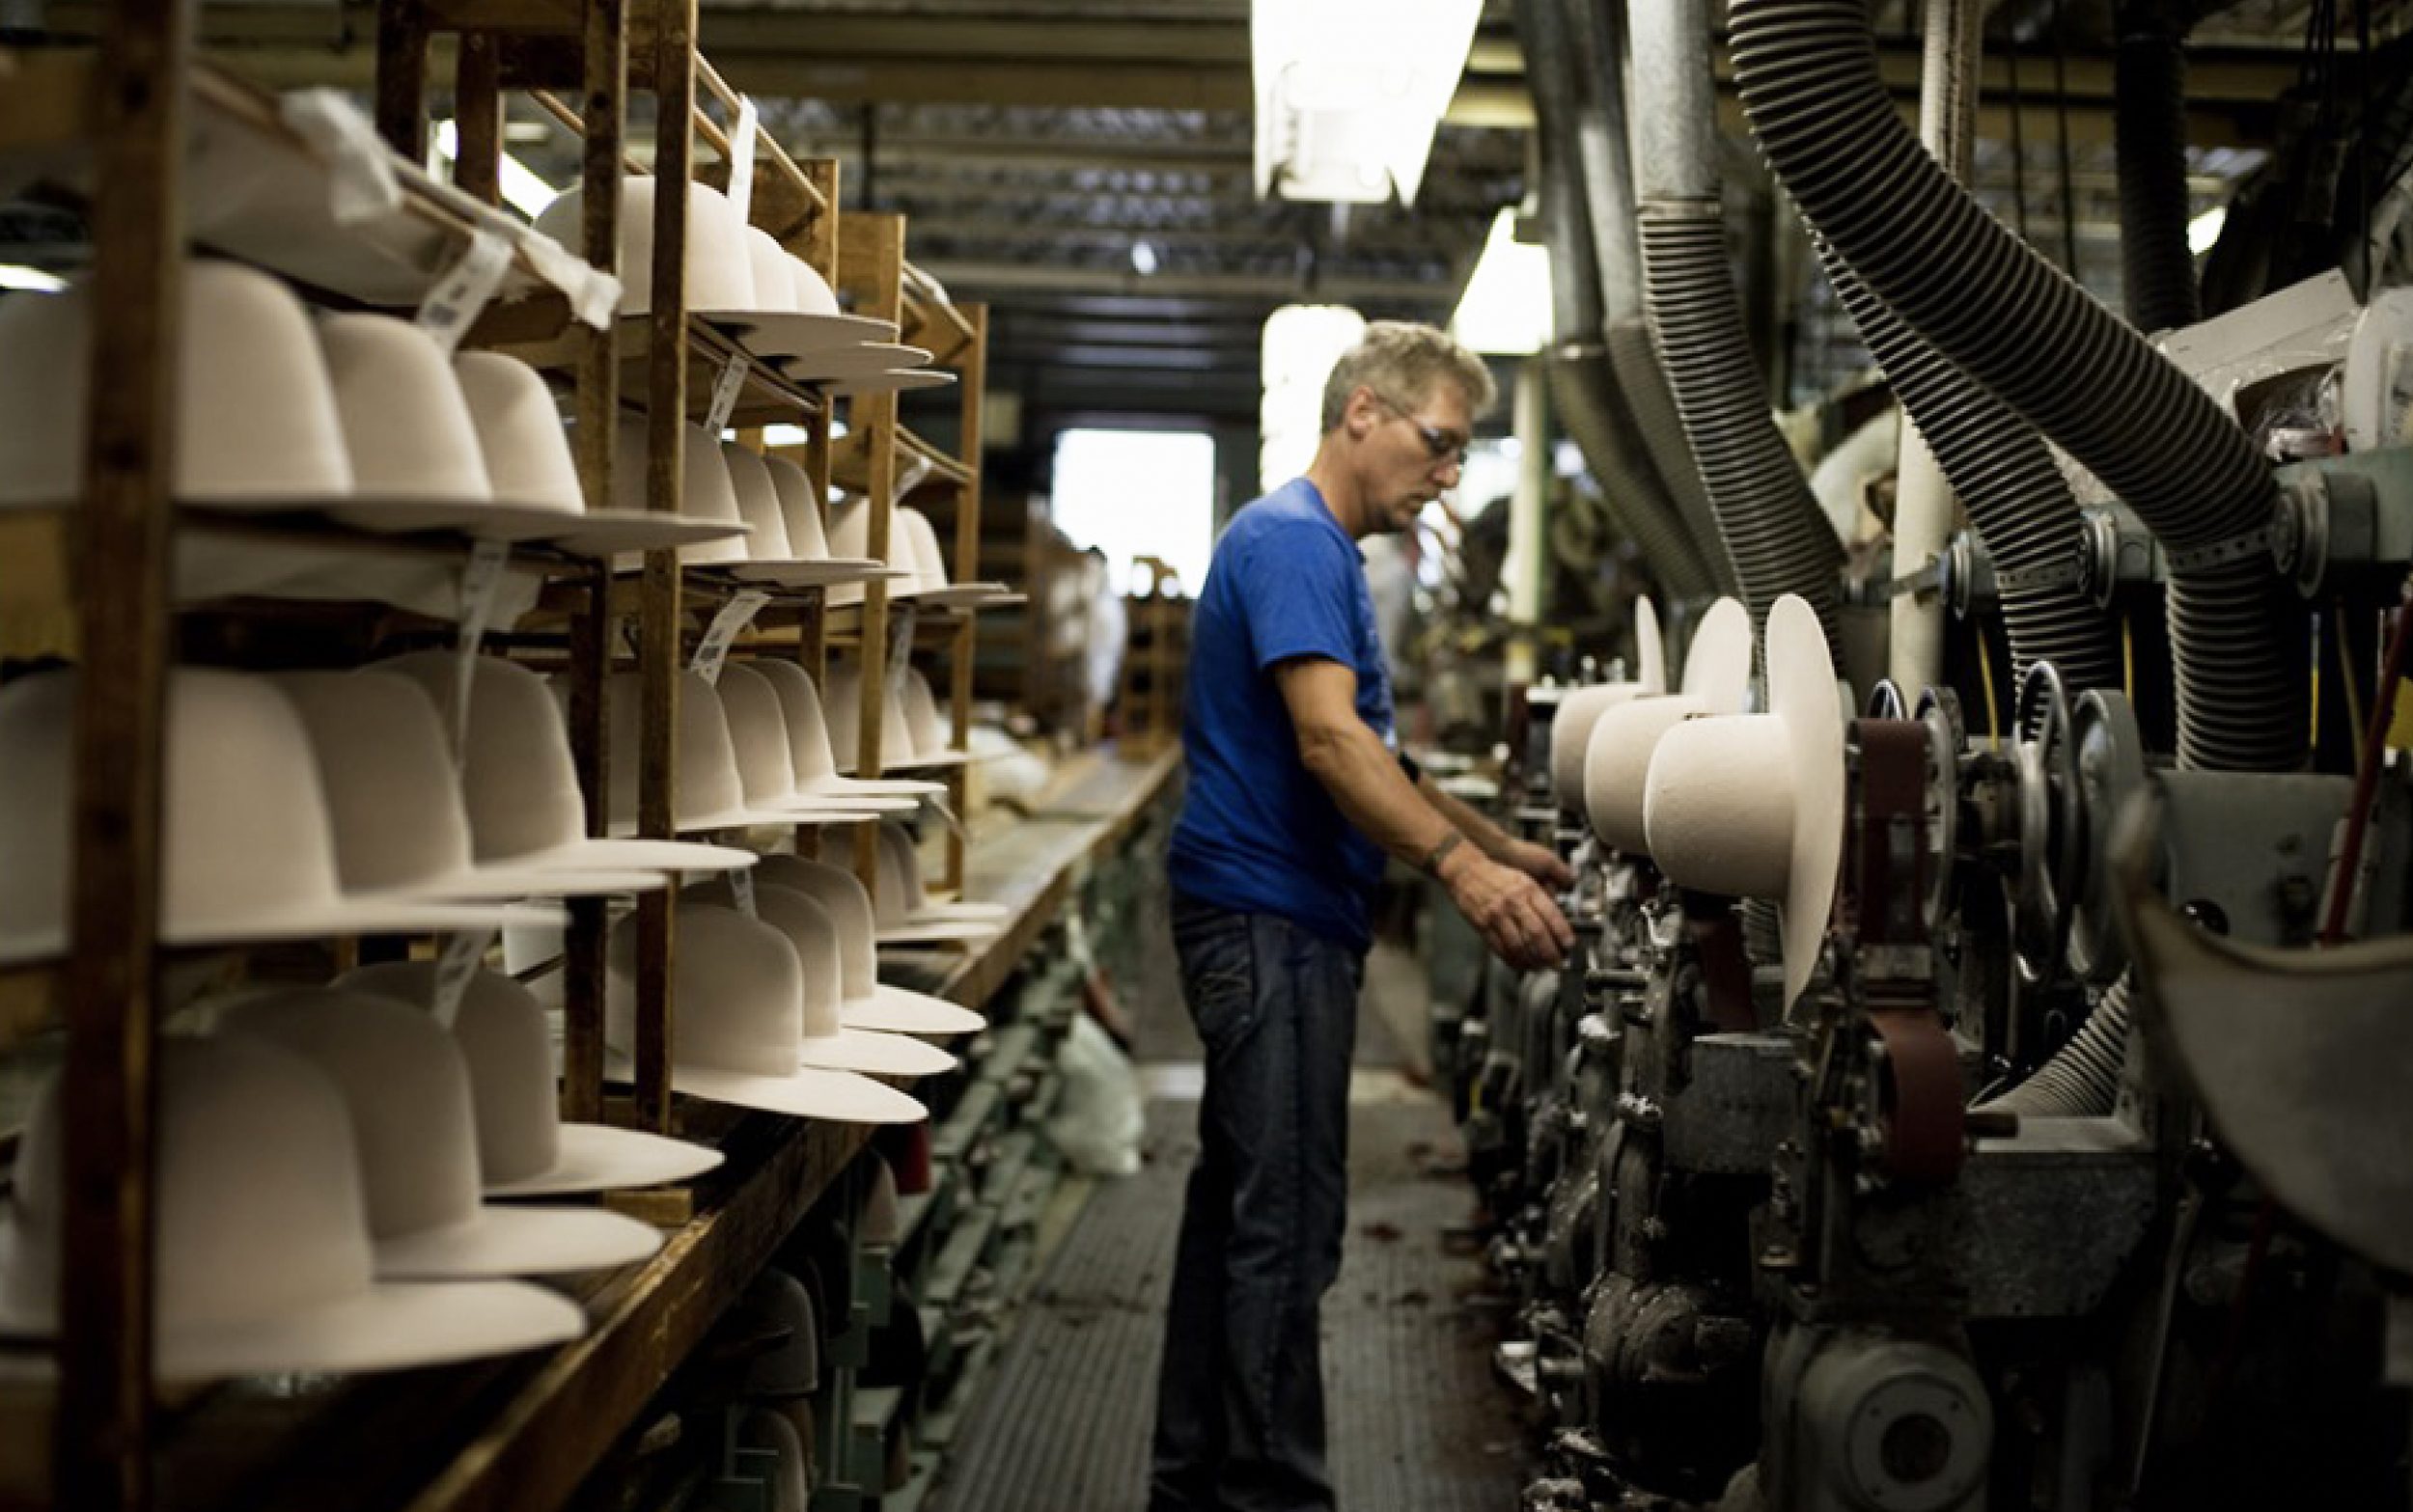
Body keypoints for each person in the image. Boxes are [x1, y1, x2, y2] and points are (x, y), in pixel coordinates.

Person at [1150, 321, 1575, 1512]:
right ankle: (1272, 1498)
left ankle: (1189, 1485)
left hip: (1278, 921)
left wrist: (1506, 849)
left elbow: (1379, 752)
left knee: (1236, 1223)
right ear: (1362, 415)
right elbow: (1330, 742)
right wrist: (1462, 873)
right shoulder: (1294, 542)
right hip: (1267, 921)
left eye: (1459, 456)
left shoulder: (1315, 549)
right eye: (1438, 445)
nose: (1448, 476)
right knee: (1284, 1231)